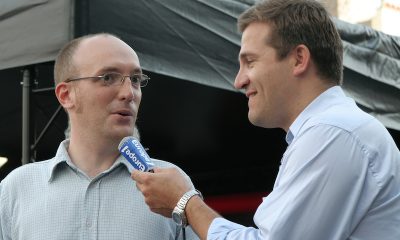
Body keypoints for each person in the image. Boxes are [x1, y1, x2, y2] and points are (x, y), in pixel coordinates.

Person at [131, 0, 400, 239]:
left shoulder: (332, 133)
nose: (238, 81)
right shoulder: (334, 130)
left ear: (299, 59)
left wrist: (185, 202)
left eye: (250, 62)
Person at [0, 33, 199, 240]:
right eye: (108, 78)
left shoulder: (171, 183)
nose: (129, 92)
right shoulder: (16, 189)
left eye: (136, 79)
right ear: (66, 95)